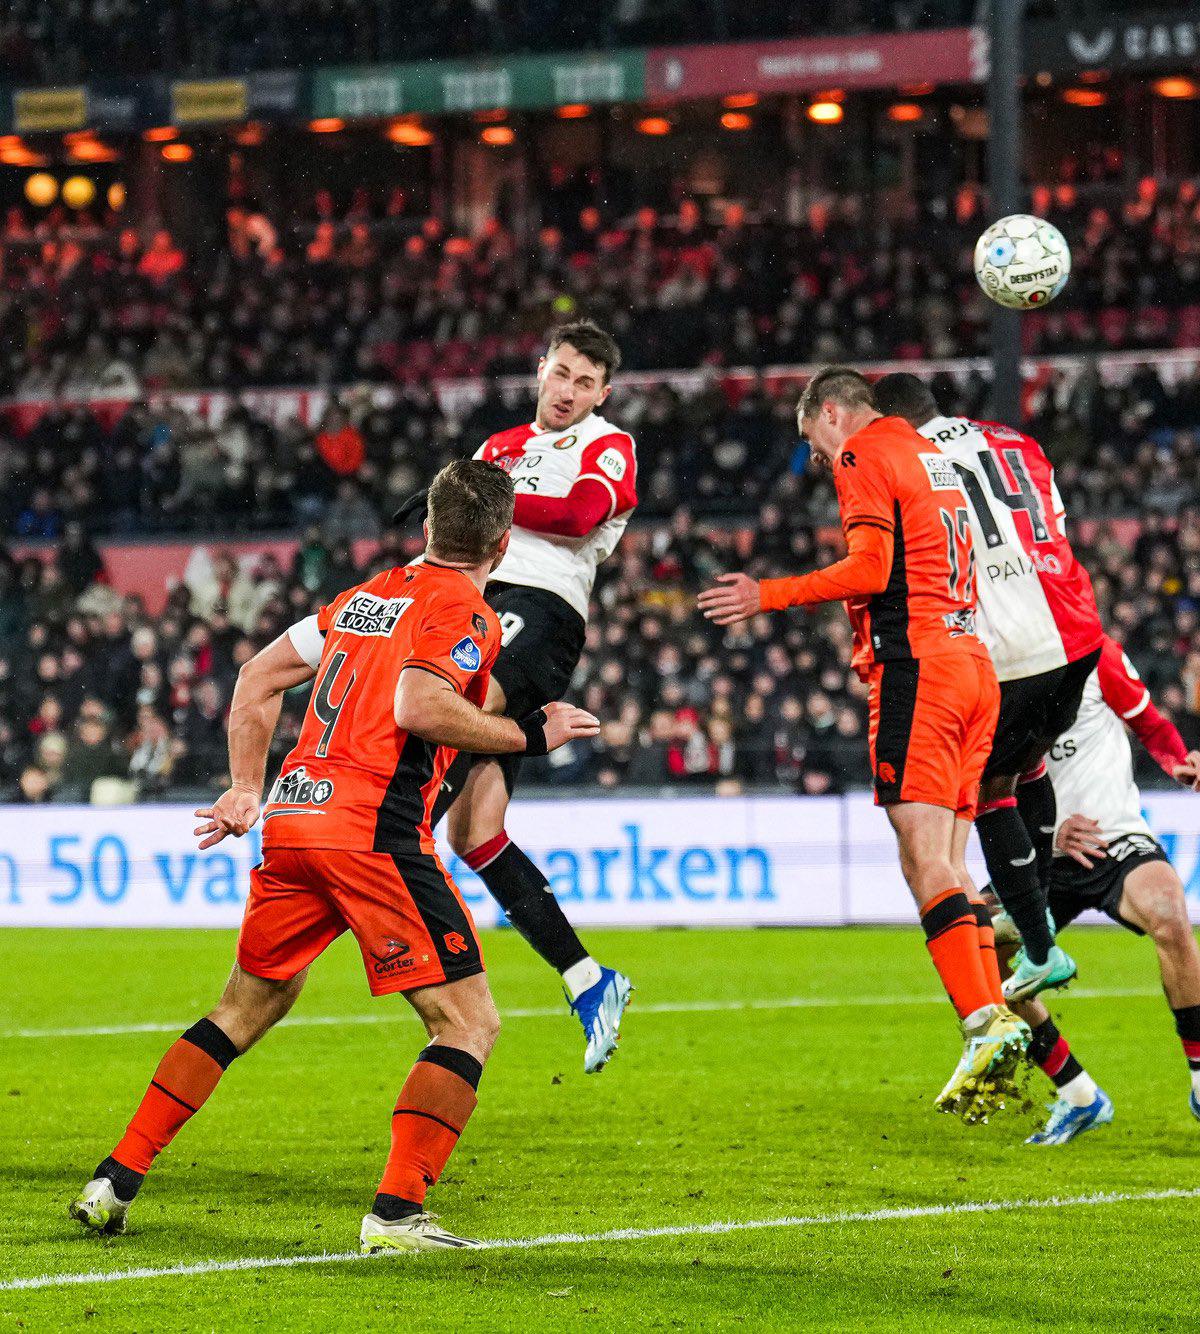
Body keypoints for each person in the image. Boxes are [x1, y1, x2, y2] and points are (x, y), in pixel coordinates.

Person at [69, 461, 601, 1251]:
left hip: (292, 814)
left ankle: (115, 1178)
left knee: (243, 1009)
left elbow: (256, 677)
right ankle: (396, 1213)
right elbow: (420, 705)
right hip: (371, 829)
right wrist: (532, 734)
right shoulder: (464, 608)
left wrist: (246, 786)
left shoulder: (363, 598)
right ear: (501, 543)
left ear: (425, 527)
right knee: (467, 1020)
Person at [698, 368, 1022, 1121]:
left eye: (812, 438)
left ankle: (983, 1022)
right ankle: (990, 1022)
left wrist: (766, 595)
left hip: (921, 672)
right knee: (953, 863)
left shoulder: (862, 454)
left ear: (832, 413)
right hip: (977, 669)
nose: (817, 457)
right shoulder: (935, 458)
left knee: (923, 861)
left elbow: (872, 569)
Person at [436, 321, 637, 1072]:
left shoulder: (607, 444)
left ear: (602, 393)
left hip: (542, 607)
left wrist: (493, 502)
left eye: (585, 383)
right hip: (477, 603)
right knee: (476, 832)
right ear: (541, 370)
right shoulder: (496, 445)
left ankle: (390, 860)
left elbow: (582, 515)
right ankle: (590, 979)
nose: (569, 392)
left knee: (457, 714)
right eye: (561, 375)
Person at [873, 372, 1107, 1003]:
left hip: (1005, 648)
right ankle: (1036, 917)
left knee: (988, 788)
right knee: (1027, 765)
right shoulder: (1014, 440)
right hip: (1075, 632)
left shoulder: (903, 463)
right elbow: (1050, 526)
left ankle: (1039, 946)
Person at [991, 636, 1200, 1149]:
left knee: (1168, 910)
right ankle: (1077, 1093)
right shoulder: (986, 670)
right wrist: (1050, 833)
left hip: (1112, 835)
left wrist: (1181, 759)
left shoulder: (1094, 653)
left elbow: (1151, 724)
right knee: (985, 955)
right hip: (1036, 849)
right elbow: (985, 783)